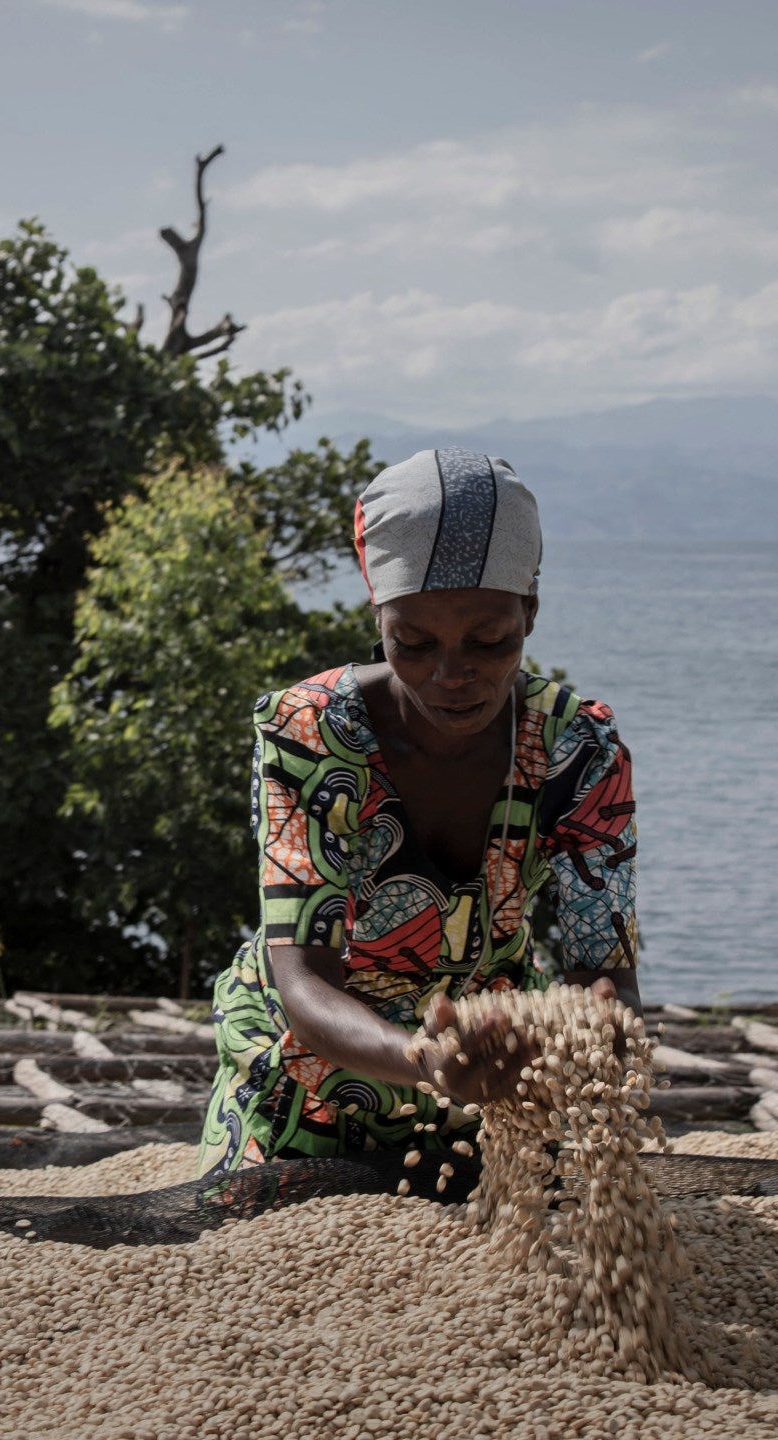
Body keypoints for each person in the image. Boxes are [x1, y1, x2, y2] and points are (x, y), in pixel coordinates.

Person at [199, 447, 640, 1179]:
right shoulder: (310, 735)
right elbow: (303, 979)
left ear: (530, 609)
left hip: (499, 1070)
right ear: (379, 616)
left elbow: (609, 977)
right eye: (413, 642)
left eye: (490, 639)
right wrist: (426, 1059)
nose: (452, 673)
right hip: (314, 1072)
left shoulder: (577, 749)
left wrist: (600, 1026)